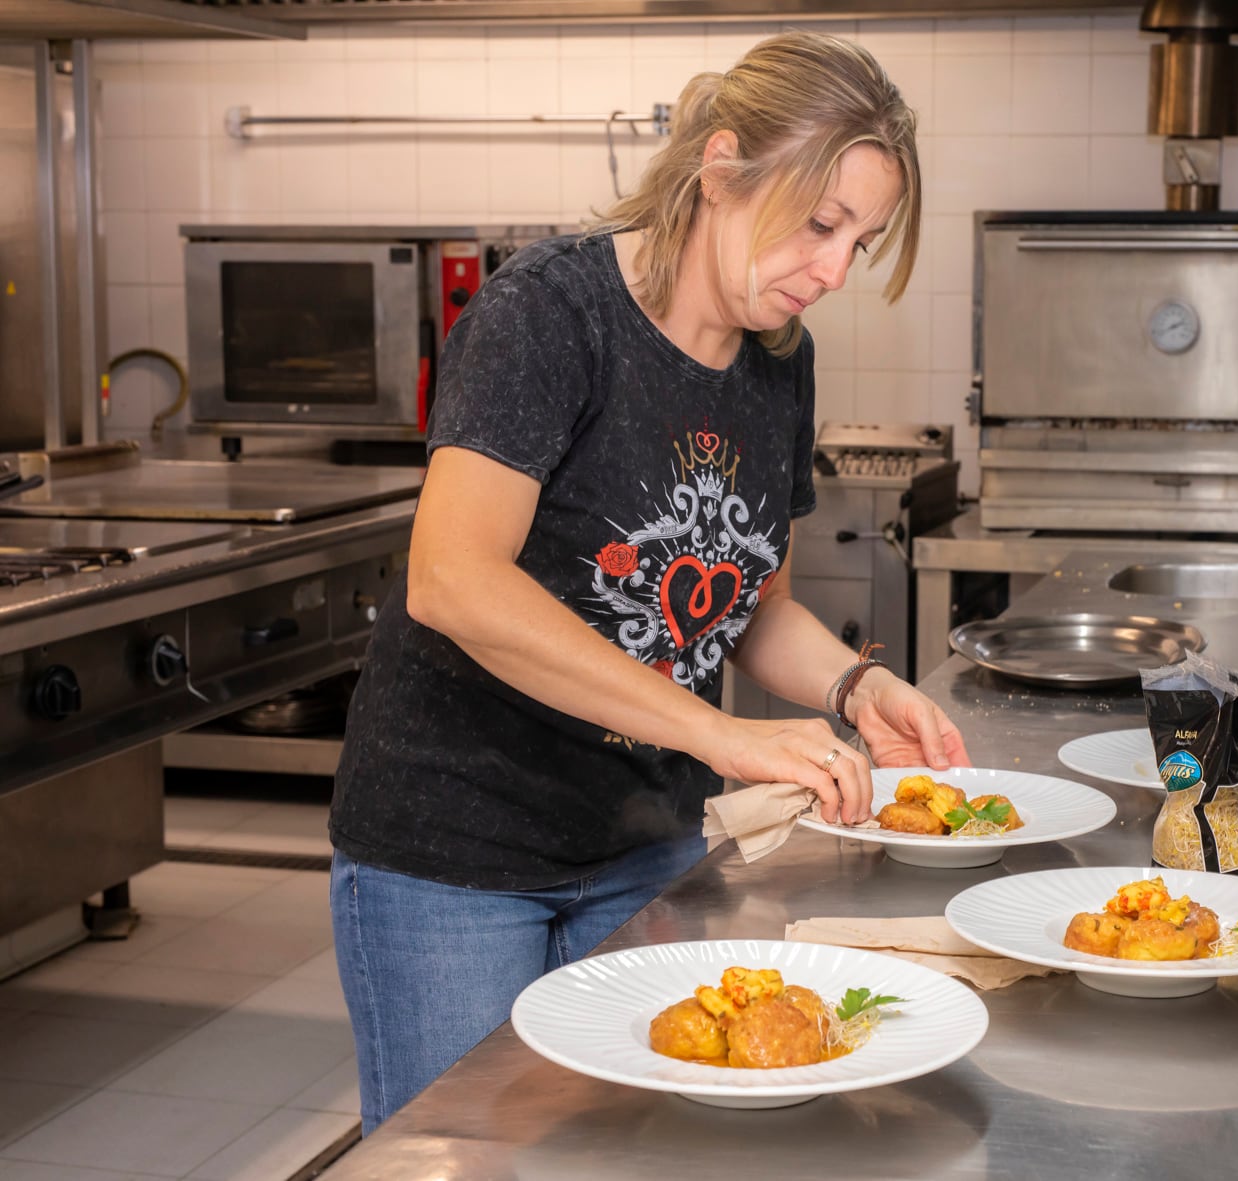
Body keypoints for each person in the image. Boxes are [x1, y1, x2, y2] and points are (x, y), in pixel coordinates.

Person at [327, 30, 969, 1135]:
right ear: (721, 168)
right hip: (455, 856)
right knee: (473, 1153)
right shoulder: (550, 315)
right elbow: (451, 579)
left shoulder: (778, 358)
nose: (834, 270)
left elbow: (750, 603)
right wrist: (721, 736)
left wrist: (857, 689)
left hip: (644, 846)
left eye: (858, 240)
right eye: (821, 225)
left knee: (635, 1153)